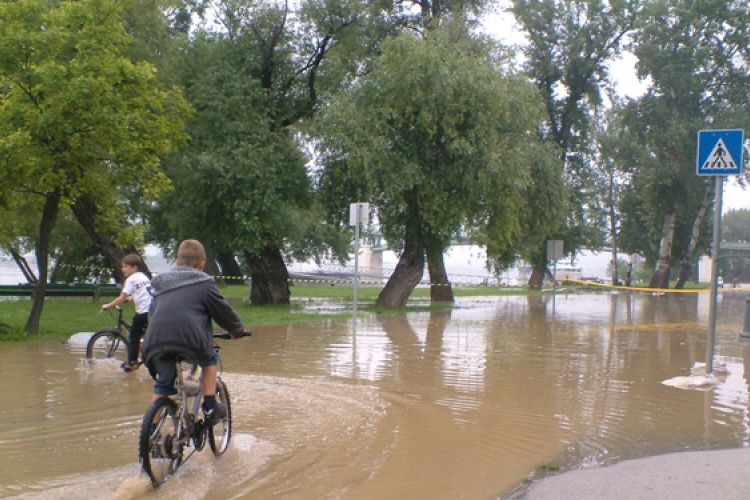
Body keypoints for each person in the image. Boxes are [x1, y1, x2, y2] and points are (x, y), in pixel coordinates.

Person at [141, 239, 245, 425]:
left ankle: (151, 435)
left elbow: (153, 314)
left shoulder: (159, 285)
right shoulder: (204, 283)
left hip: (155, 342)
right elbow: (224, 312)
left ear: (177, 263)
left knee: (163, 384)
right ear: (203, 265)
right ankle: (210, 405)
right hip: (189, 342)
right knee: (210, 357)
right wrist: (237, 330)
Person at [101, 253, 152, 372]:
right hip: (153, 309)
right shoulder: (143, 276)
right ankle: (146, 351)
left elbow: (122, 297)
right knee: (143, 334)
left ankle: (132, 362)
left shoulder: (131, 279)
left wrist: (109, 305)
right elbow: (143, 292)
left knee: (133, 334)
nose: (122, 269)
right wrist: (132, 298)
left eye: (125, 266)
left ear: (134, 268)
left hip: (143, 311)